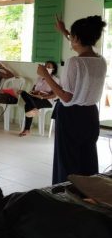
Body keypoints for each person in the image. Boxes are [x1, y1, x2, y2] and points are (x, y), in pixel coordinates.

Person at [38, 15, 107, 184]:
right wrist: (65, 32)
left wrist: (46, 75)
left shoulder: (74, 62)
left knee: (67, 162)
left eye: (72, 37)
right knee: (87, 158)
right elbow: (82, 44)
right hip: (90, 115)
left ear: (76, 38)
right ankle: (88, 193)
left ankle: (66, 195)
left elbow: (66, 97)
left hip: (71, 116)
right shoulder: (101, 60)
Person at [19, 61, 59, 137]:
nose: (46, 68)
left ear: (53, 69)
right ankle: (34, 108)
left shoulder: (55, 80)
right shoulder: (39, 78)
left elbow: (54, 95)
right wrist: (34, 92)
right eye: (45, 66)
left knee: (28, 105)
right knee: (23, 93)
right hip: (35, 98)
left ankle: (27, 129)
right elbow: (32, 90)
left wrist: (43, 97)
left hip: (47, 100)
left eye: (49, 67)